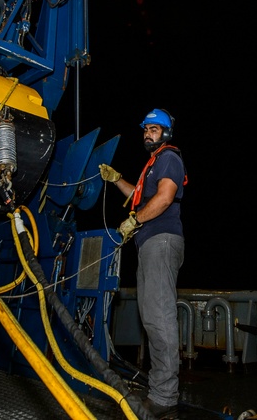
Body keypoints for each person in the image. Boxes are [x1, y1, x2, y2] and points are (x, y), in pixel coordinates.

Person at [99, 108, 187, 420]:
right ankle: (158, 389)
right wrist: (115, 178)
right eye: (145, 129)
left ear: (165, 133)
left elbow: (163, 199)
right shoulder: (151, 166)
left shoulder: (168, 158)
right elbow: (139, 196)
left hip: (161, 240)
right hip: (149, 242)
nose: (147, 133)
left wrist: (134, 219)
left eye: (153, 129)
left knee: (160, 317)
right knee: (150, 316)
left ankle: (164, 397)